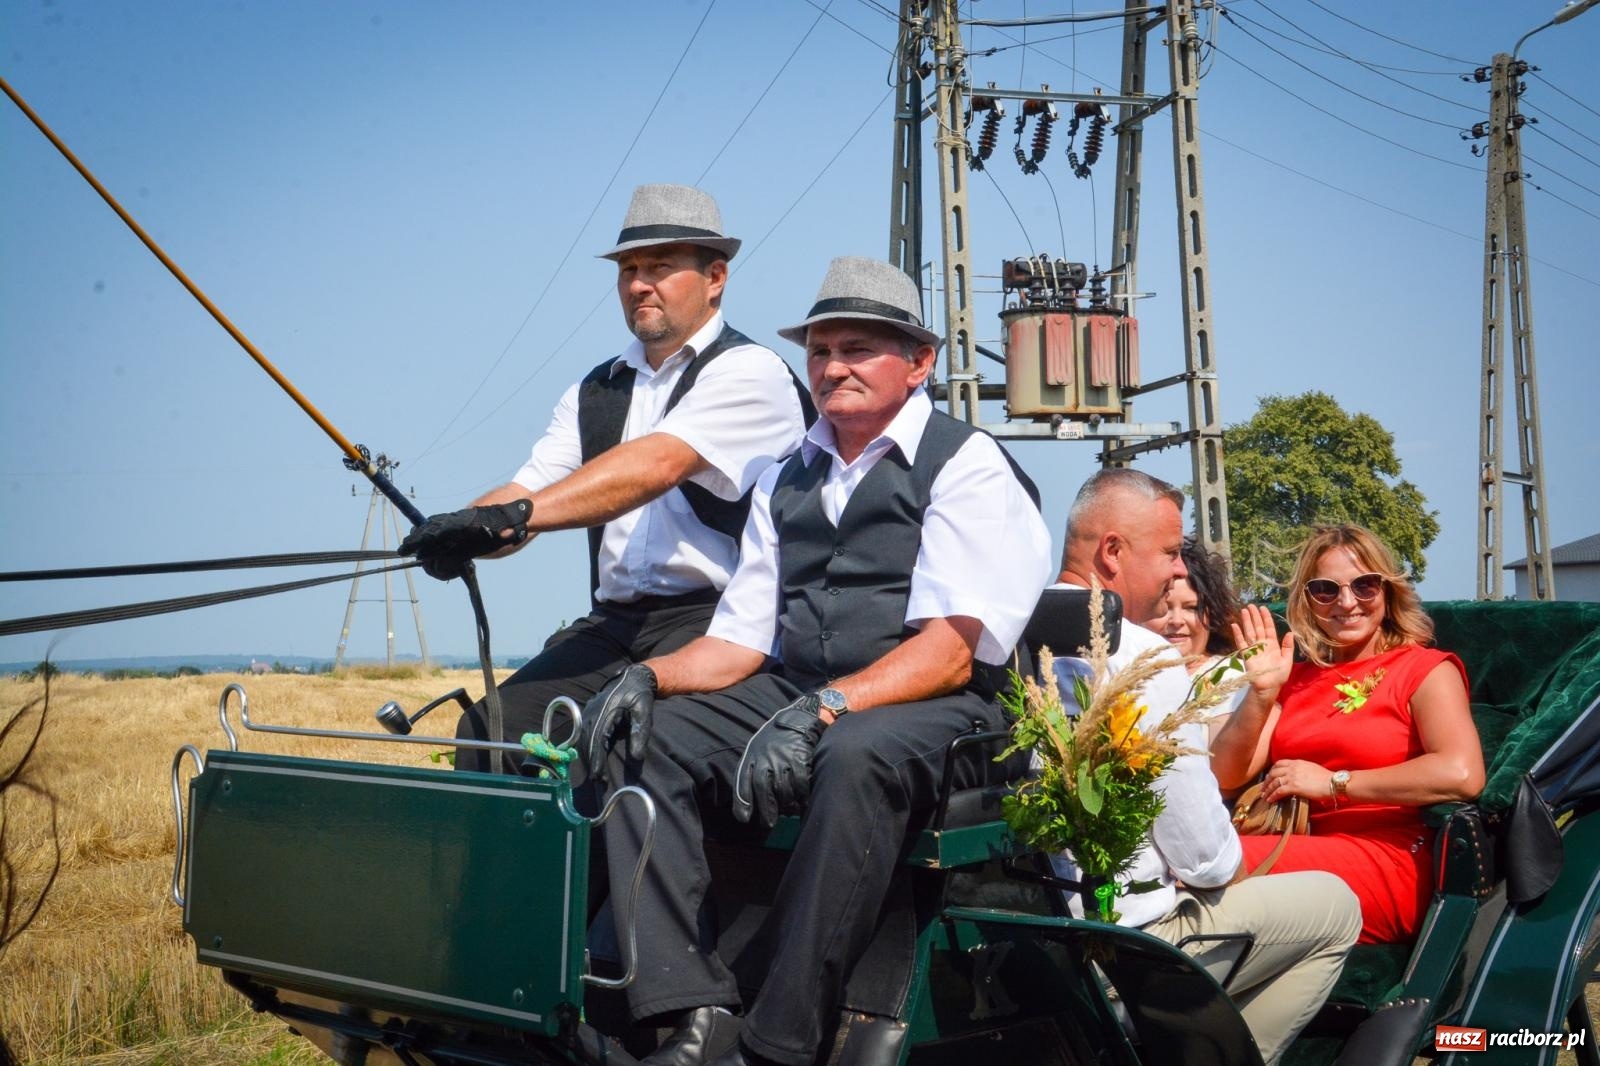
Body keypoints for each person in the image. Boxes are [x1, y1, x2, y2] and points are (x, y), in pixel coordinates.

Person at [577, 256, 1055, 1066]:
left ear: (919, 361)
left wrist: (824, 708)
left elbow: (947, 653)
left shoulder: (964, 463)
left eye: (859, 349)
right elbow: (741, 640)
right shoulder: (784, 474)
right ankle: (686, 1009)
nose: (833, 367)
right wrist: (649, 676)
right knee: (642, 736)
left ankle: (780, 1039)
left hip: (944, 707)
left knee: (855, 753)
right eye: (821, 350)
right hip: (801, 686)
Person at [398, 184, 811, 772]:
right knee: (490, 730)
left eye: (660, 267)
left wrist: (513, 517)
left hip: (722, 622)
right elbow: (531, 491)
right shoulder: (597, 389)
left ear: (715, 277)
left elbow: (658, 464)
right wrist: (465, 528)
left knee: (624, 740)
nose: (639, 283)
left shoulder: (752, 372)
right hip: (613, 623)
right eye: (629, 269)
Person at [1049, 469, 1361, 1066]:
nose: (1175, 570)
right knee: (1336, 905)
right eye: (1168, 552)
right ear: (1112, 552)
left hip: (1027, 942)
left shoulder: (999, 640)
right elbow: (1207, 862)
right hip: (1128, 948)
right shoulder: (1145, 658)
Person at [1213, 524, 1486, 944]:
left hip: (1391, 860)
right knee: (1185, 856)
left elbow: (1461, 773)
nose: (1346, 602)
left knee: (1214, 861)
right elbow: (1227, 777)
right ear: (1307, 600)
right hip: (1300, 843)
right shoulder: (1294, 677)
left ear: (1387, 591)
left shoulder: (1424, 669)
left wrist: (1333, 784)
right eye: (1326, 589)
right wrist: (1262, 693)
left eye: (1365, 585)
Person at [1147, 537, 1248, 743]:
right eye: (1164, 608)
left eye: (1191, 608)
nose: (1176, 621)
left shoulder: (1230, 676)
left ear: (1212, 614)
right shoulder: (1121, 672)